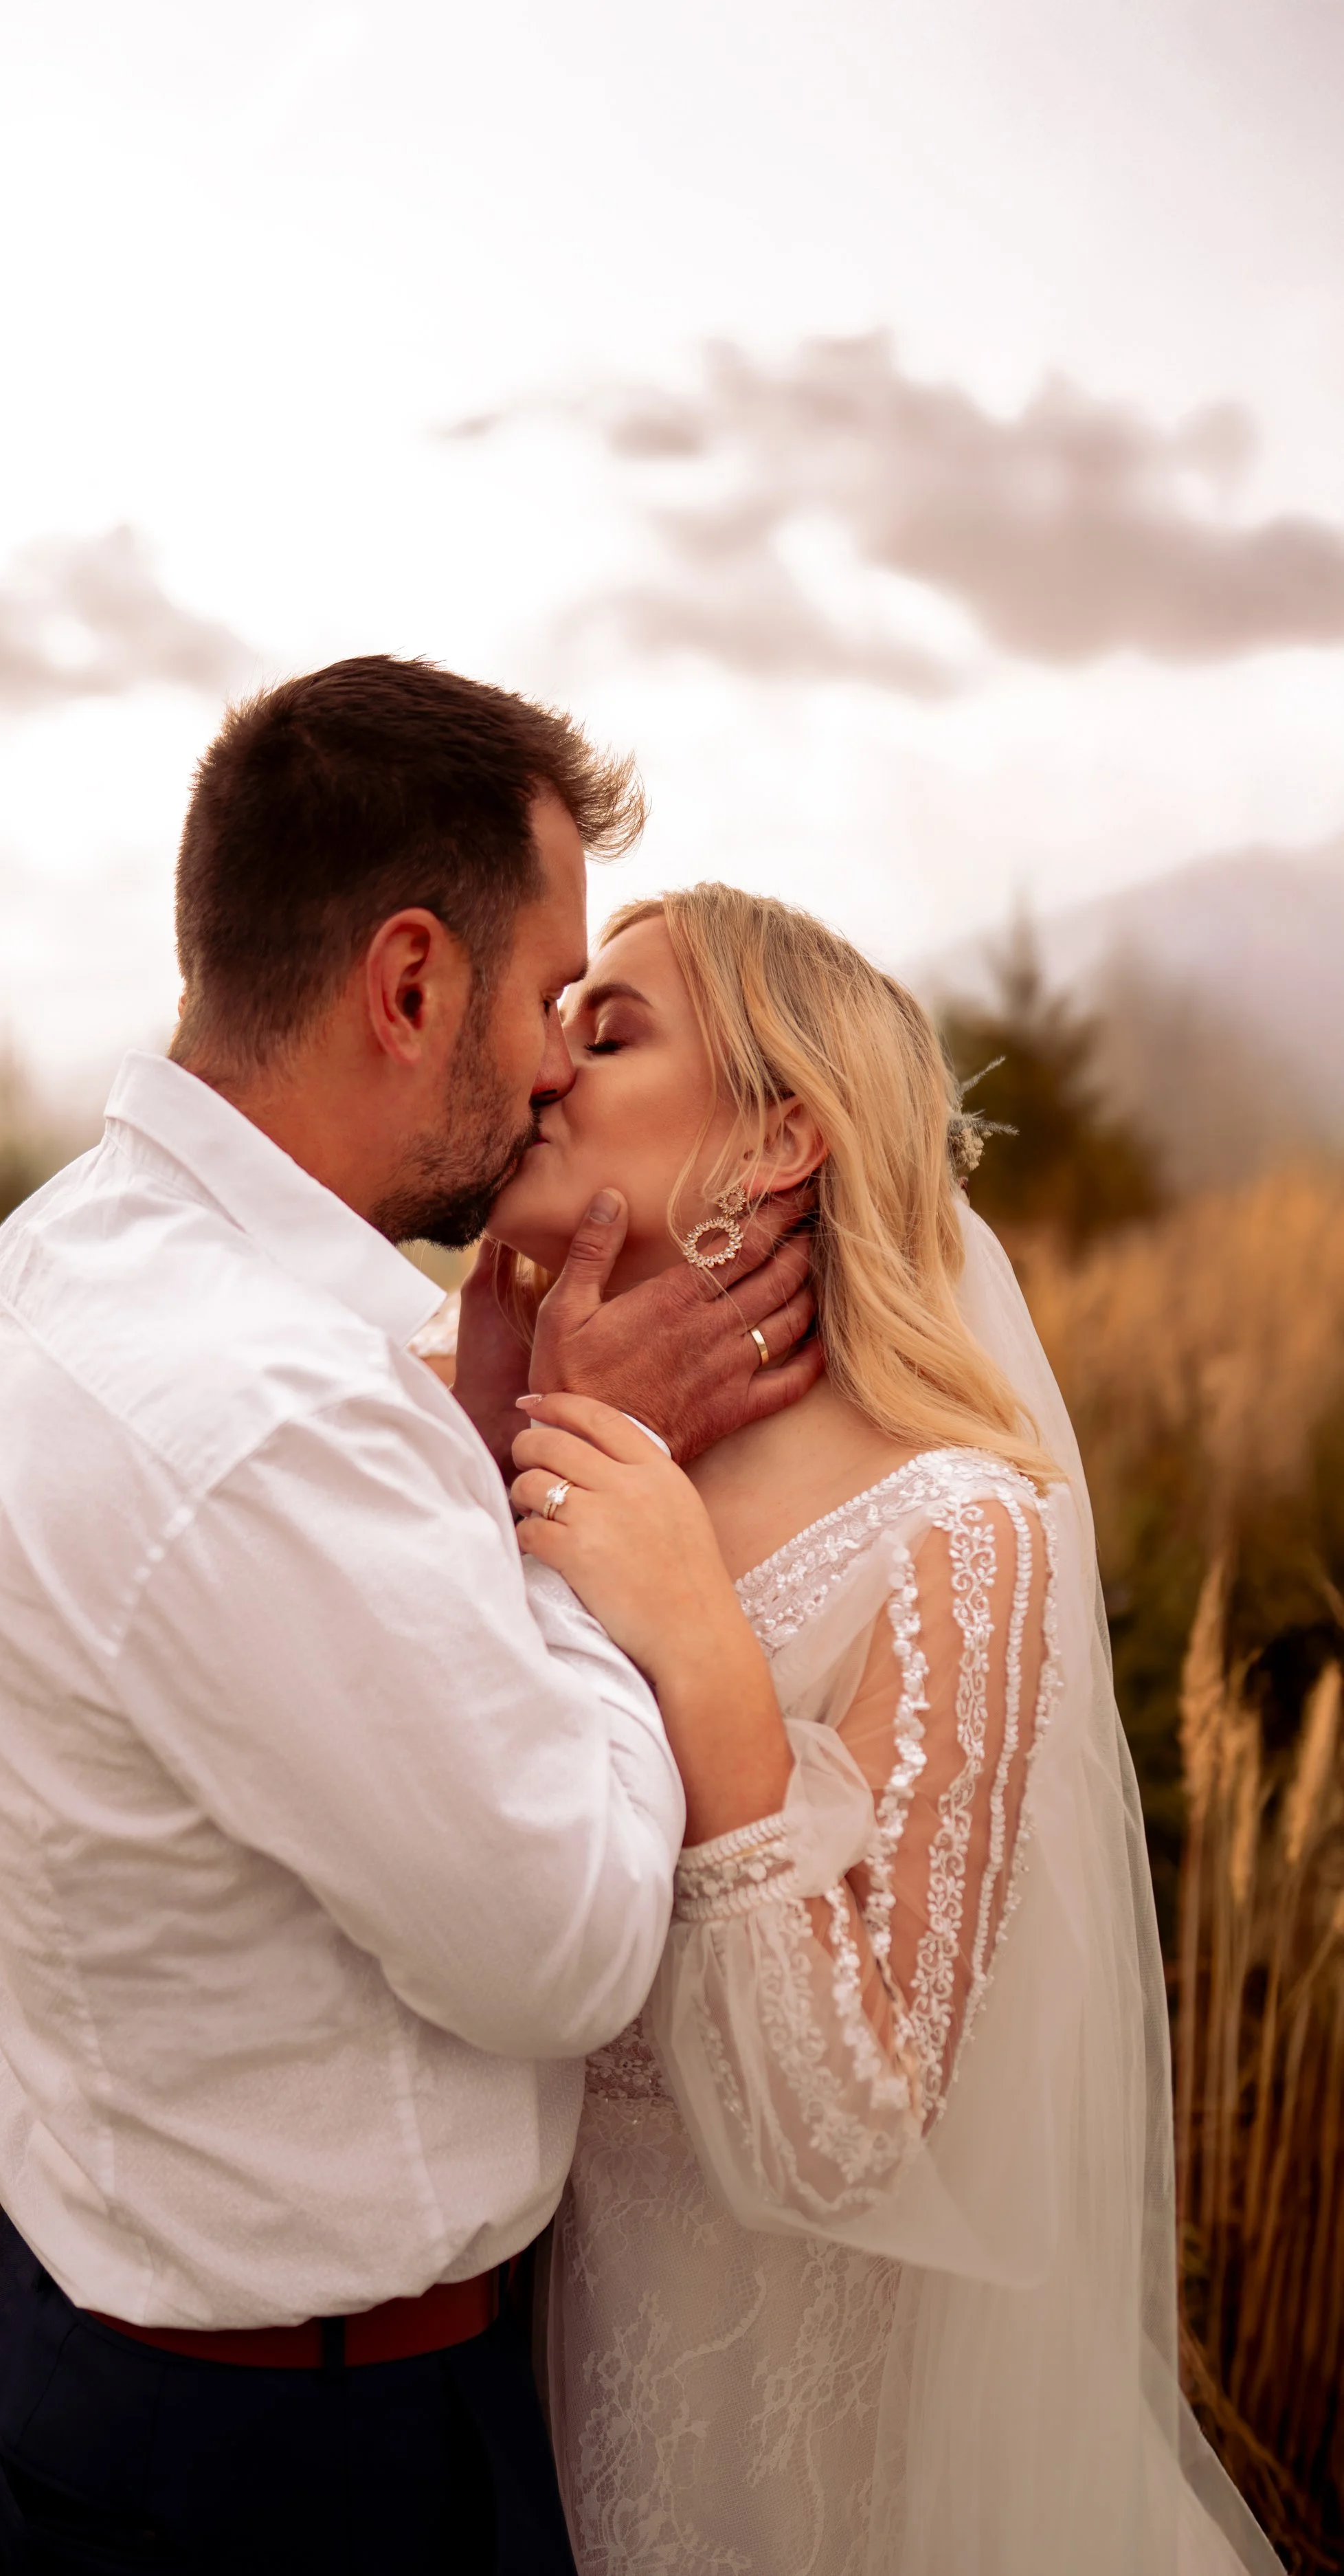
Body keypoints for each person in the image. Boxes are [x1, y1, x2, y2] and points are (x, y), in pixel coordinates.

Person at [0, 660, 821, 2575]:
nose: (565, 1065)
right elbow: (566, 1946)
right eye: (551, 1000)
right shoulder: (260, 1412)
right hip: (309, 2465)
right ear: (406, 983)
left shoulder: (70, 1252)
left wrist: (470, 1449)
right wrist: (595, 1488)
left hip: (125, 2355)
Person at [481, 884, 1278, 2575]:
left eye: (608, 1029)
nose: (542, 1068)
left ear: (783, 1137)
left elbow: (842, 2137)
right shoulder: (514, 1427)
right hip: (533, 2422)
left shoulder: (952, 1531)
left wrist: (700, 1638)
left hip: (824, 2478)